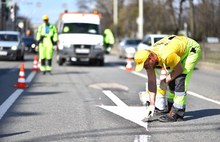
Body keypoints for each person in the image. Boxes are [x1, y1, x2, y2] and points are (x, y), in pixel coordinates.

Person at [134, 35, 201, 122]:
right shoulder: (149, 58)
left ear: (150, 58)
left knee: (180, 79)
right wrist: (152, 104)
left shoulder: (166, 55)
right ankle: (170, 108)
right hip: (176, 51)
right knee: (172, 80)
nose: (145, 68)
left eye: (145, 65)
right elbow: (151, 81)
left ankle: (176, 113)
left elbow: (179, 70)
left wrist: (165, 80)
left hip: (191, 50)